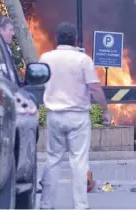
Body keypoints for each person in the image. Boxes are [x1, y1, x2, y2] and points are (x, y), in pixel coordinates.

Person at [39, 22, 111, 209]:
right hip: (78, 116)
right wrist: (104, 110)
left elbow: (39, 83)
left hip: (54, 115)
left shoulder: (46, 58)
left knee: (53, 159)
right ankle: (80, 205)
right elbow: (94, 87)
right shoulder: (83, 60)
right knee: (78, 162)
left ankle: (46, 204)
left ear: (56, 39)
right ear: (75, 40)